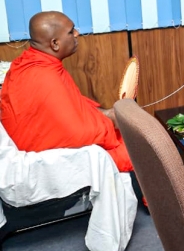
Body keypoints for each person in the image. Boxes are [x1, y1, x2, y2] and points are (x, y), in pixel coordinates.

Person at [0, 11, 133, 173]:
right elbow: (77, 134)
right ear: (55, 44)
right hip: (46, 162)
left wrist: (106, 114)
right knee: (135, 150)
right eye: (71, 31)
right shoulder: (43, 76)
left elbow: (72, 105)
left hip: (44, 146)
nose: (77, 33)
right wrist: (109, 122)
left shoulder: (30, 62)